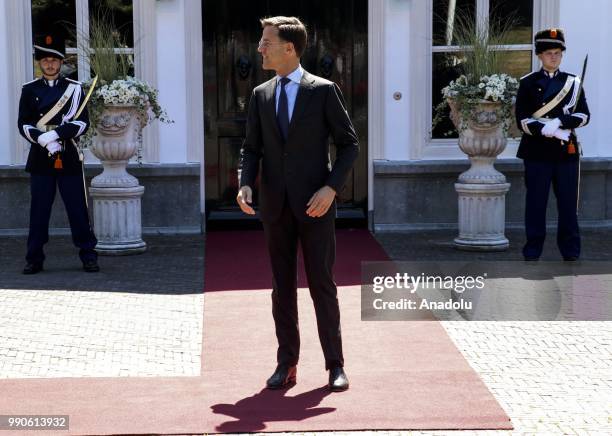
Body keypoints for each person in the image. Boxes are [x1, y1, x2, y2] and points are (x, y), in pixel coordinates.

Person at [236, 16, 359, 391]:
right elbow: (251, 147)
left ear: (289, 47)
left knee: (323, 284)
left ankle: (335, 366)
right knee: (281, 287)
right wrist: (245, 184)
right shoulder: (260, 94)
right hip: (275, 207)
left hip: (316, 206)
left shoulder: (322, 91)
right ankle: (286, 363)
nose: (260, 48)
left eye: (266, 42)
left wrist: (331, 189)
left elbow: (349, 145)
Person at [17, 34, 99, 274]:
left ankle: (88, 255)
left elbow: (84, 123)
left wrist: (57, 135)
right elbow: (23, 124)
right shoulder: (28, 89)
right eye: (45, 60)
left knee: (78, 209)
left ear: (61, 62)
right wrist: (42, 139)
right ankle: (34, 258)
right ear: (39, 63)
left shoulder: (73, 89)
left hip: (68, 154)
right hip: (41, 158)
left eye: (54, 60)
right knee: (39, 211)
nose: (50, 64)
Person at [515, 28, 590, 261]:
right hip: (537, 151)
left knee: (568, 205)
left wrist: (560, 122)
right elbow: (522, 121)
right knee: (536, 204)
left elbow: (584, 116)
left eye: (558, 53)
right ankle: (533, 250)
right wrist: (548, 131)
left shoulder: (573, 82)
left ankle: (571, 252)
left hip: (566, 152)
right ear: (539, 55)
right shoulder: (528, 83)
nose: (554, 57)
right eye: (549, 53)